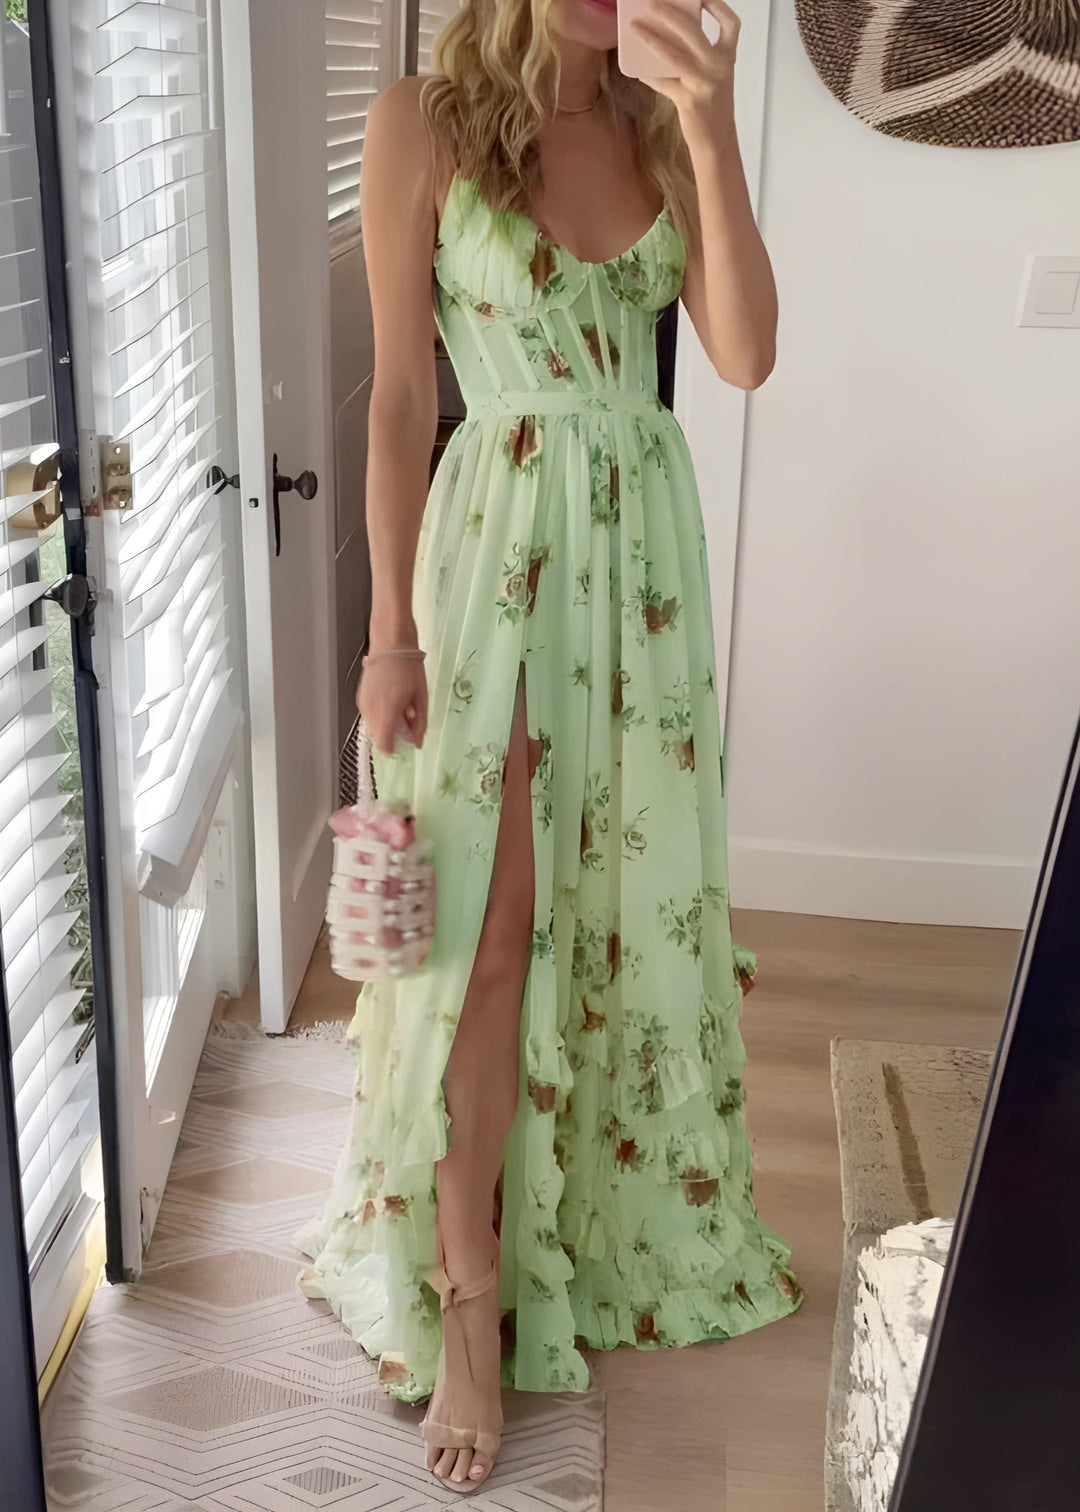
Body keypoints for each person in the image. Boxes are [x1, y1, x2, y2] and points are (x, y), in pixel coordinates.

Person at [293, 0, 803, 1491]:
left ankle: (575, 1213)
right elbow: (401, 397)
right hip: (495, 556)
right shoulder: (423, 121)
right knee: (486, 934)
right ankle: (468, 1301)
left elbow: (746, 355)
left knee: (619, 919)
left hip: (639, 569)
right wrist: (388, 634)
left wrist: (710, 119)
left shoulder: (662, 130)